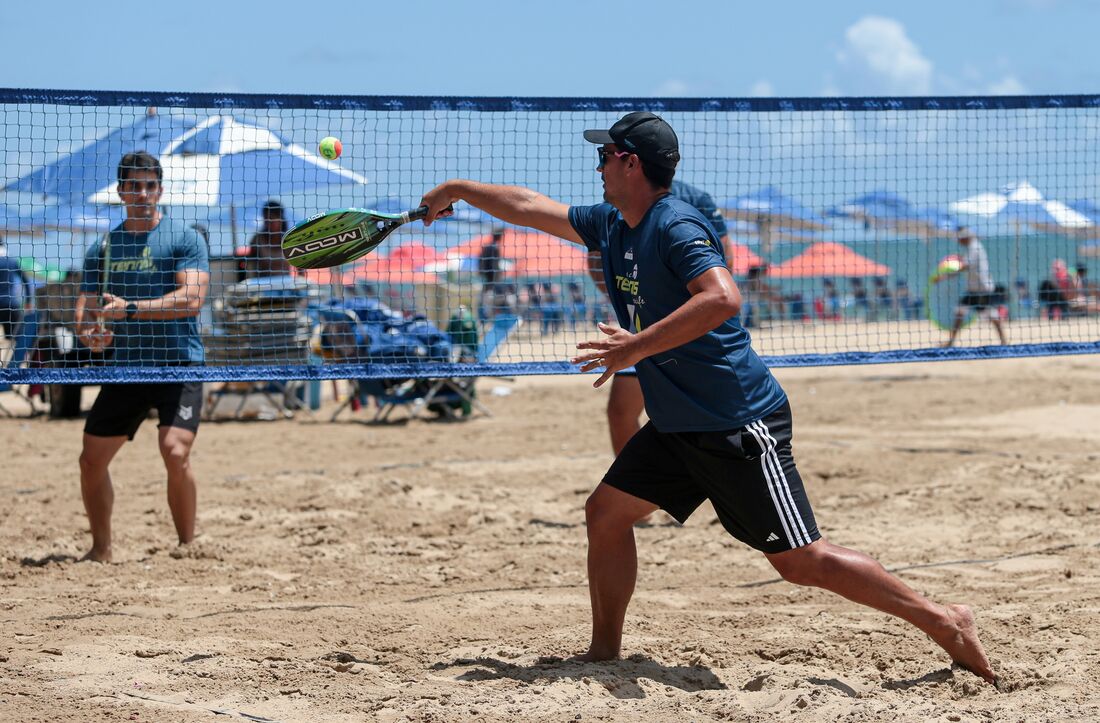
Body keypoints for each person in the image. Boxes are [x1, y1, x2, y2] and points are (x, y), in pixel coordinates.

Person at [419, 111, 996, 684]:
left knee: (800, 561)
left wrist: (634, 348)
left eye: (604, 156)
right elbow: (527, 207)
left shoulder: (676, 226)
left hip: (735, 421)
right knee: (606, 514)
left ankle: (945, 620)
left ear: (630, 163)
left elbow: (722, 298)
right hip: (677, 422)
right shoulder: (612, 223)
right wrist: (460, 188)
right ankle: (604, 651)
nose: (596, 166)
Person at [74, 151, 210, 563]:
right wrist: (89, 332)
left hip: (178, 362)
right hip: (127, 367)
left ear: (161, 190)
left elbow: (192, 300)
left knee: (174, 451)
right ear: (120, 192)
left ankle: (187, 547)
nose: (142, 193)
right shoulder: (104, 247)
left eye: (150, 185)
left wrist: (132, 308)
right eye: (134, 185)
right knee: (90, 460)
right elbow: (86, 306)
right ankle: (101, 550)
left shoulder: (185, 238)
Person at [940, 227, 1007, 347]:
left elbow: (965, 266)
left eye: (960, 239)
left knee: (991, 314)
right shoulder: (973, 247)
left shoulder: (974, 247)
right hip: (974, 289)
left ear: (966, 238)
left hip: (981, 289)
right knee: (960, 312)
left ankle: (1004, 341)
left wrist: (945, 276)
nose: (959, 242)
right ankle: (951, 341)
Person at [240, 200, 292, 279]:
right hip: (262, 285)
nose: (268, 222)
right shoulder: (257, 240)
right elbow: (252, 263)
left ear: (280, 218)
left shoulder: (290, 239)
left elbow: (300, 267)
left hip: (286, 284)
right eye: (266, 218)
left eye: (272, 218)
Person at [0, 235, 32, 348]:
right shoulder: (11, 262)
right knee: (15, 341)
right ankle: (13, 363)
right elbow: (26, 281)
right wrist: (29, 300)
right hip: (11, 305)